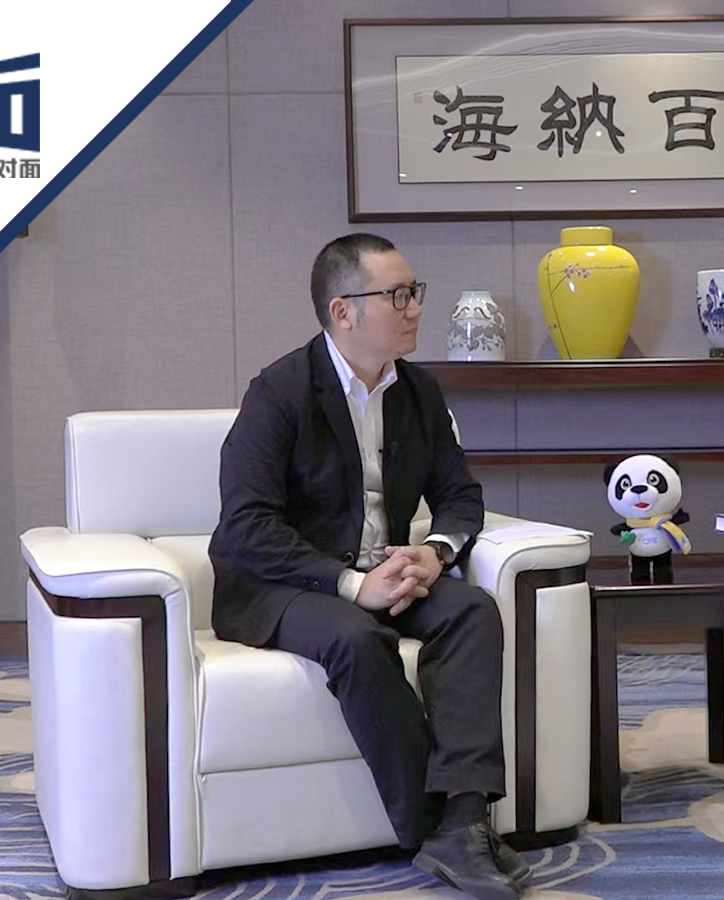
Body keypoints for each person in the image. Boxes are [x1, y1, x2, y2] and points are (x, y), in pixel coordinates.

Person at [208, 233, 527, 900]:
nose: (415, 308)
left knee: (472, 611)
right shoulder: (280, 392)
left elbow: (460, 496)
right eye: (398, 295)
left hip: (387, 570)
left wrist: (435, 554)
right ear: (343, 312)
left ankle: (466, 821)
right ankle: (430, 827)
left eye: (415, 292)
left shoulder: (418, 391)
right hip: (286, 584)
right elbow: (247, 525)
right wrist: (354, 584)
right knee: (358, 637)